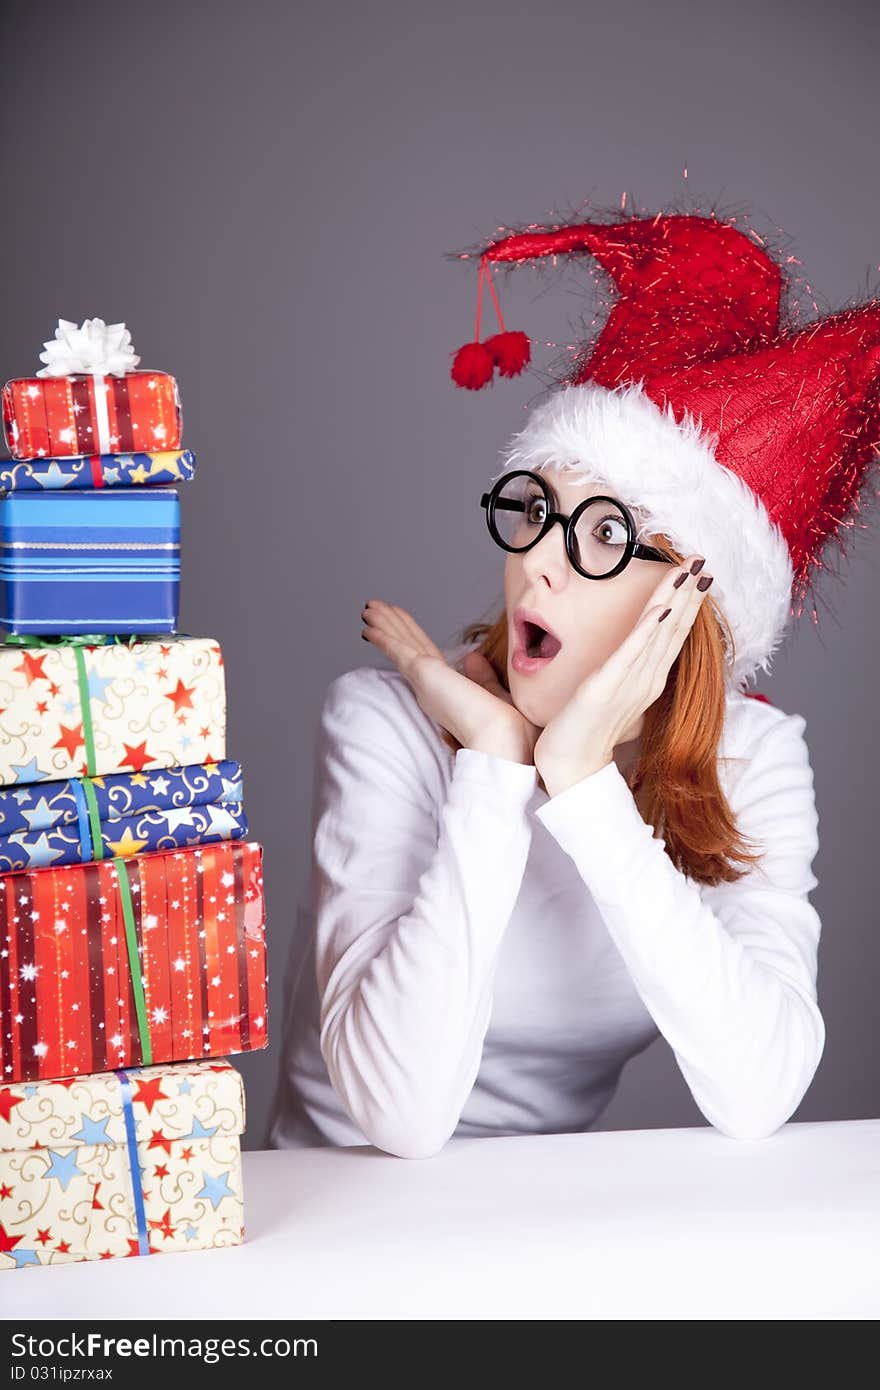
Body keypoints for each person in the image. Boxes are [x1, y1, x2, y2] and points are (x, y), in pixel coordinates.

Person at [267, 202, 880, 1158]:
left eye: (603, 535)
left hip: (549, 1234)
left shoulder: (754, 759)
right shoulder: (385, 720)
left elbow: (760, 1090)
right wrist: (497, 764)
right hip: (336, 1212)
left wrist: (586, 781)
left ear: (691, 607)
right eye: (538, 511)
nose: (538, 564)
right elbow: (398, 1116)